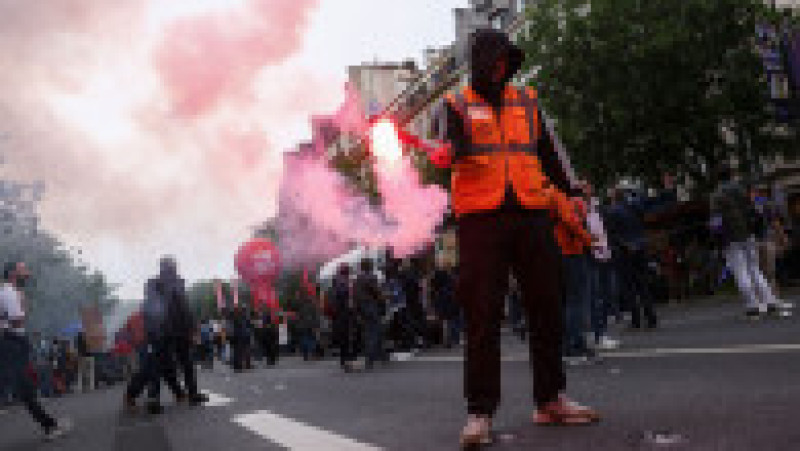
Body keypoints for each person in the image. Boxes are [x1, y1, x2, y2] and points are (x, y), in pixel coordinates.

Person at [429, 29, 600, 446]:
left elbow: (550, 153)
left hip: (531, 210)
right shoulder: (453, 106)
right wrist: (447, 151)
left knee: (548, 303)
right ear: (480, 62)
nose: (502, 67)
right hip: (480, 219)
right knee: (482, 315)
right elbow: (443, 150)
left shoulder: (528, 101)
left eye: (507, 60)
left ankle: (550, 399)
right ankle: (480, 414)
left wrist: (572, 188)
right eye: (495, 60)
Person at [0, 261, 72, 440]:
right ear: (12, 274)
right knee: (25, 388)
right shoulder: (9, 293)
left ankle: (50, 425)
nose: (28, 274)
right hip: (12, 342)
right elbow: (17, 321)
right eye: (24, 270)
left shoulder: (7, 292)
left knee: (23, 388)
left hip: (12, 342)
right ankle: (50, 426)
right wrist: (24, 305)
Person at [710, 167, 793, 318]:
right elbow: (753, 209)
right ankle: (770, 301)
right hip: (748, 233)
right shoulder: (741, 189)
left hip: (731, 237)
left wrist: (717, 239)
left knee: (741, 270)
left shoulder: (717, 195)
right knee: (755, 269)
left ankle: (752, 305)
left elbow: (716, 221)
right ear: (730, 175)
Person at [606, 188, 658, 329]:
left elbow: (613, 234)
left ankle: (636, 320)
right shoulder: (634, 207)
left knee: (629, 287)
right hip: (640, 246)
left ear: (614, 197)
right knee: (643, 283)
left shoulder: (612, 212)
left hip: (624, 251)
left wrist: (624, 245)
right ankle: (651, 316)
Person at [583, 182, 621, 350]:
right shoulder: (579, 209)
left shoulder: (598, 208)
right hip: (590, 255)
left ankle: (600, 332)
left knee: (605, 295)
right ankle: (599, 335)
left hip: (604, 253)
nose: (588, 189)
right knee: (595, 297)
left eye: (589, 186)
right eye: (584, 187)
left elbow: (605, 230)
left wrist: (607, 248)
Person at [353, 258, 386, 370]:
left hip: (362, 308)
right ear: (369, 266)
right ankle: (371, 357)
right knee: (375, 331)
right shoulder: (371, 277)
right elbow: (377, 292)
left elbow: (354, 296)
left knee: (369, 331)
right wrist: (383, 302)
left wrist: (357, 310)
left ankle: (380, 354)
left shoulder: (357, 279)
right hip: (371, 306)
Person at [329, 264, 355, 371]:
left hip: (338, 314)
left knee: (343, 337)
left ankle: (344, 360)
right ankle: (346, 361)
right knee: (346, 337)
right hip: (343, 313)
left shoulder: (336, 282)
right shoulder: (343, 283)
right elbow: (345, 297)